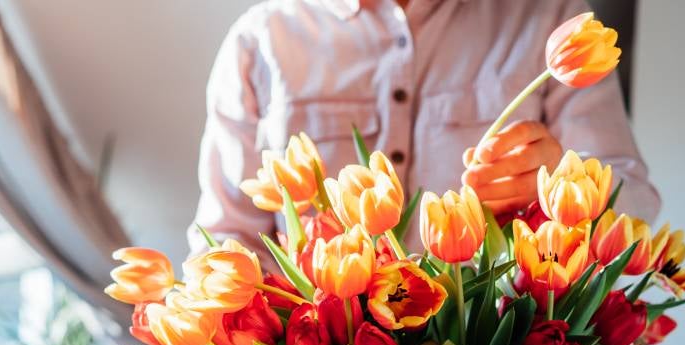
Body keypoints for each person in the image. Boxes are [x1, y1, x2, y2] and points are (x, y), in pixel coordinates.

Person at [188, 0, 659, 256]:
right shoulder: (262, 41)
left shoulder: (549, 18)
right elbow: (224, 240)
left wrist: (564, 185)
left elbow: (637, 203)